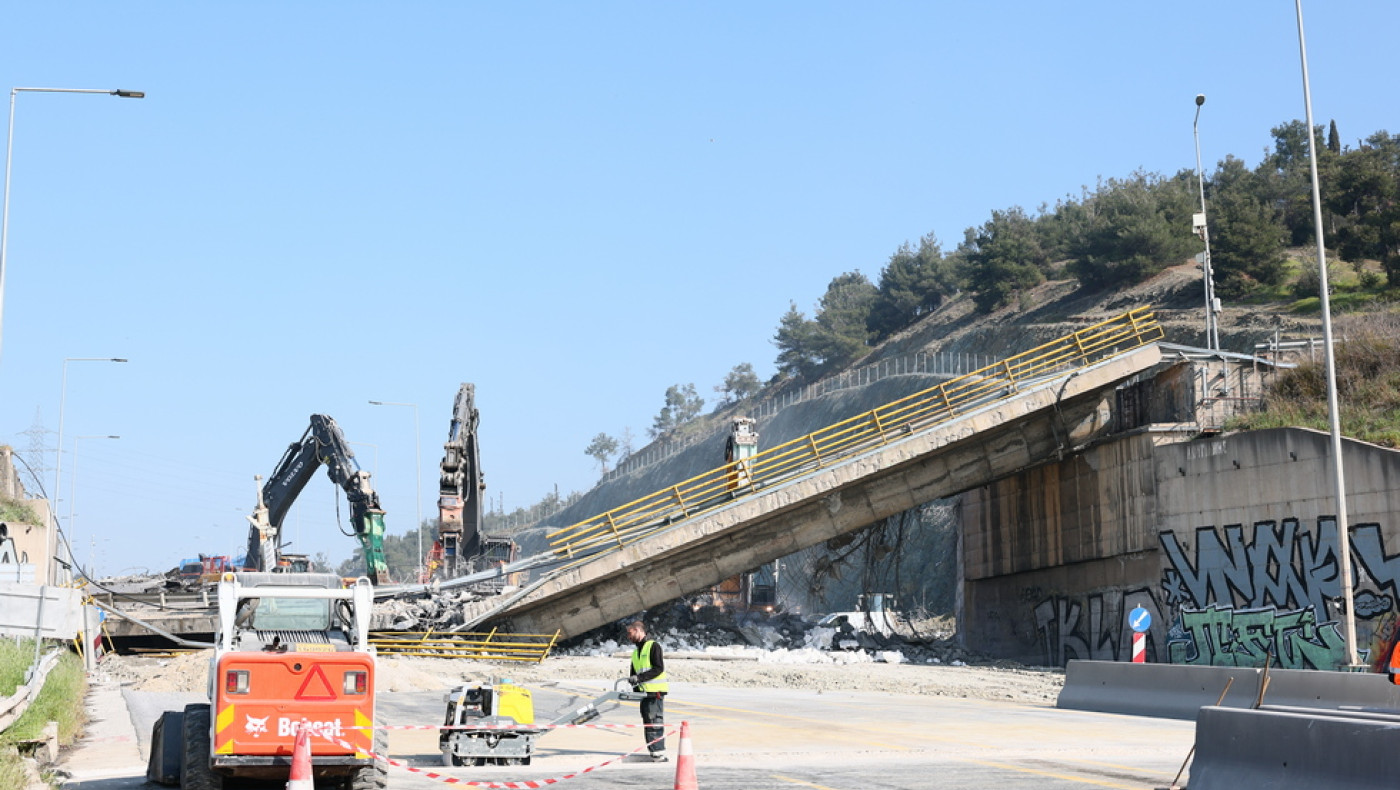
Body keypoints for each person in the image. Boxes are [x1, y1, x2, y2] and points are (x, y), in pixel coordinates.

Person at [625, 619, 668, 761]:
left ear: (638, 630)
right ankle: (653, 751)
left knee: (654, 722)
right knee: (648, 722)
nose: (628, 637)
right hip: (644, 693)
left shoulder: (653, 646)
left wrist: (639, 678)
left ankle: (659, 753)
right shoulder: (636, 651)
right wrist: (633, 685)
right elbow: (634, 673)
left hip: (654, 691)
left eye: (630, 633)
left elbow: (658, 668)